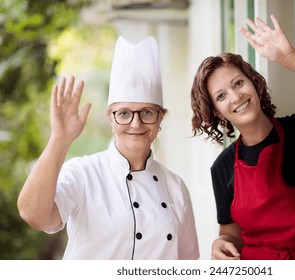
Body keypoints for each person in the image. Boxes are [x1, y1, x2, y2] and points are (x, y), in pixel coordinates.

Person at [17, 36, 199, 260]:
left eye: (147, 112)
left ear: (160, 118)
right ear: (110, 119)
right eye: (123, 113)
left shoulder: (175, 187)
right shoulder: (83, 173)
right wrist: (59, 139)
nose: (136, 123)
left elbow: (187, 264)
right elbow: (34, 215)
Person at [191, 14, 295, 260]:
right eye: (221, 96)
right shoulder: (222, 167)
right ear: (216, 112)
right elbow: (231, 235)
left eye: (238, 83)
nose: (235, 96)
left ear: (254, 82)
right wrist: (221, 243)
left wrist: (291, 58)